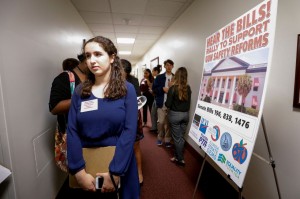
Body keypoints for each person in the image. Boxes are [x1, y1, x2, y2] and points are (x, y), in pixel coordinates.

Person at [67, 36, 139, 199]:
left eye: (98, 54)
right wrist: (79, 172)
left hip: (117, 163)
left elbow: (129, 132)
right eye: (88, 55)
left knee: (113, 194)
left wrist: (114, 172)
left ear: (112, 57)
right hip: (88, 165)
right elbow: (72, 130)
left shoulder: (127, 90)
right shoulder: (79, 91)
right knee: (96, 193)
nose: (92, 60)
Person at [49, 54, 87, 198]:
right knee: (77, 177)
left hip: (93, 135)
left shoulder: (95, 78)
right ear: (84, 59)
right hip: (73, 135)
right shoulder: (65, 78)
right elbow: (54, 108)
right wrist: (80, 98)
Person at [121, 59, 144, 185]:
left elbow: (138, 101)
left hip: (132, 115)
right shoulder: (112, 80)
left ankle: (139, 172)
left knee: (135, 146)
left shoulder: (133, 81)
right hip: (118, 115)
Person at [165, 67, 191, 166]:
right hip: (185, 115)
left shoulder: (173, 88)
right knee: (181, 137)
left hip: (175, 115)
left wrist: (169, 92)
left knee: (176, 138)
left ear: (176, 76)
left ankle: (180, 159)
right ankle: (176, 156)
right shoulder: (188, 88)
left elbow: (168, 104)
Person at [152, 59, 174, 147]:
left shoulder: (175, 77)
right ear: (164, 66)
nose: (169, 67)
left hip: (171, 105)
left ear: (173, 66)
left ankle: (167, 140)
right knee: (160, 122)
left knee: (168, 123)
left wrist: (172, 88)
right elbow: (154, 89)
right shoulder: (159, 77)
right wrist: (162, 89)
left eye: (170, 65)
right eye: (167, 65)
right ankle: (160, 138)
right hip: (161, 103)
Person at [149, 65, 161, 133]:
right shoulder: (156, 78)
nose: (152, 72)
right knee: (153, 113)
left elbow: (158, 89)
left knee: (158, 114)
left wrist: (153, 91)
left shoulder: (160, 78)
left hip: (158, 98)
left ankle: (158, 129)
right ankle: (154, 127)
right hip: (155, 98)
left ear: (156, 71)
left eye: (153, 71)